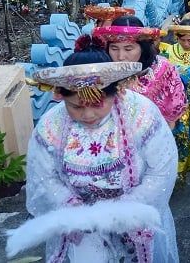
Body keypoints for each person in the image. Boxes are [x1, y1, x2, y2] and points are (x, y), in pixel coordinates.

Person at [20, 39, 179, 262]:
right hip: (83, 227)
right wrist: (73, 209)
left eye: (97, 104)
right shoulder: (50, 126)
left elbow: (162, 168)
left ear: (117, 91)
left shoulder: (141, 114)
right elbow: (44, 176)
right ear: (61, 96)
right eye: (75, 106)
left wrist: (127, 210)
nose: (87, 115)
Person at [93, 16, 187, 130]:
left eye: (128, 49)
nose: (120, 56)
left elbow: (171, 115)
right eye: (114, 48)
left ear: (142, 48)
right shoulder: (100, 71)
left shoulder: (163, 68)